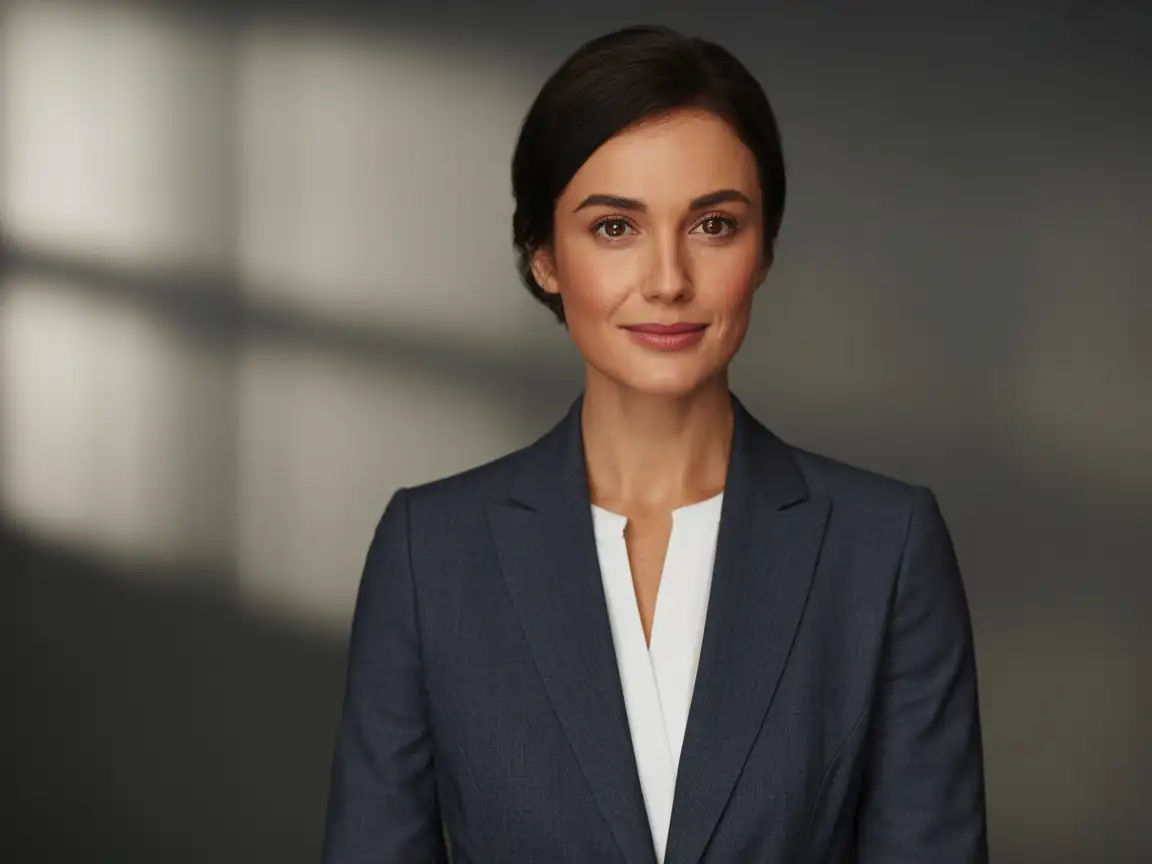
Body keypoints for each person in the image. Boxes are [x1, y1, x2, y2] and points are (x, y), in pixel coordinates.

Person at [322, 24, 988, 864]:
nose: (668, 279)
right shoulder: (430, 553)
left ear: (765, 251)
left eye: (713, 224)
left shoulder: (884, 549)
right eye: (614, 228)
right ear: (543, 257)